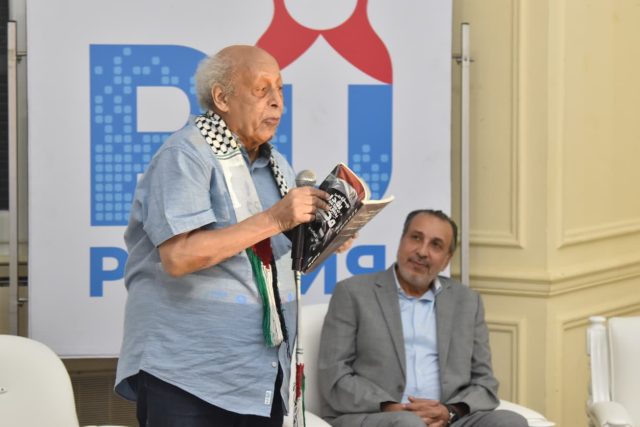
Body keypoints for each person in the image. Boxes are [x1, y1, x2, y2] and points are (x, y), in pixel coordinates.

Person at [114, 45, 332, 426]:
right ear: (222, 98)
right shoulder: (187, 155)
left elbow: (277, 263)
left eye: (280, 90)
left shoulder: (277, 165)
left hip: (259, 377)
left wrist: (330, 238)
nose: (277, 102)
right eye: (262, 89)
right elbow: (178, 257)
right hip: (188, 375)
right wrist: (275, 218)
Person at [318, 209, 528, 427]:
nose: (422, 251)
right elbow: (334, 375)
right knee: (408, 424)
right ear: (401, 241)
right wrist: (391, 406)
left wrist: (449, 412)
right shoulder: (353, 293)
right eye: (416, 238)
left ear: (447, 260)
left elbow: (484, 382)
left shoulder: (467, 301)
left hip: (446, 419)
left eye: (436, 245)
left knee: (510, 422)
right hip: (378, 416)